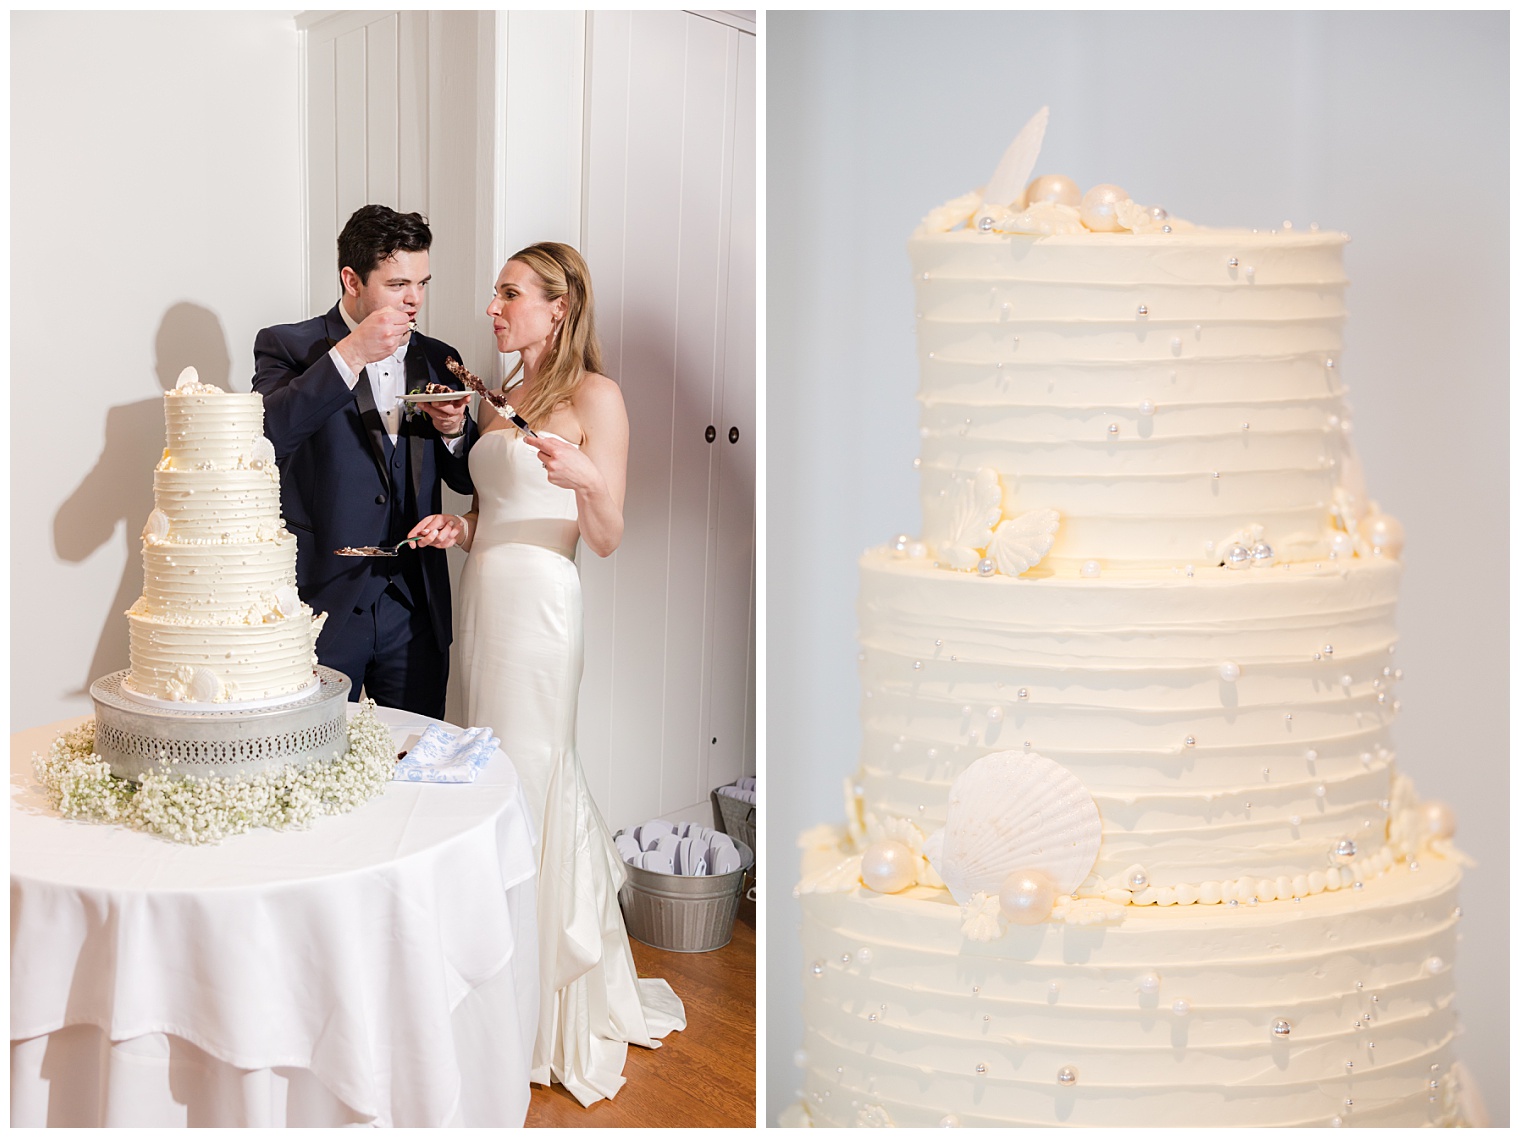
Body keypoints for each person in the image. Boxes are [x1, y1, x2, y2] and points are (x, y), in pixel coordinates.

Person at [410, 242, 685, 1106]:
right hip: (484, 599)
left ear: (558, 307)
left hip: (541, 609)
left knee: (531, 778)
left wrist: (588, 477)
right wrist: (459, 529)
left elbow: (604, 534)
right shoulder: (506, 398)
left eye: (510, 294)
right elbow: (495, 506)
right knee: (482, 776)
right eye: (494, 293)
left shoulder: (593, 396)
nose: (493, 307)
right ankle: (486, 990)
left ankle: (543, 1007)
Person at [253, 205, 473, 719]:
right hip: (322, 602)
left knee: (413, 762)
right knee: (314, 760)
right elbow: (266, 439)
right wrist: (351, 354)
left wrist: (453, 430)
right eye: (398, 284)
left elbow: (464, 478)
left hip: (415, 607)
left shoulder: (438, 356)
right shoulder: (289, 345)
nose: (414, 299)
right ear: (351, 279)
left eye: (422, 282)